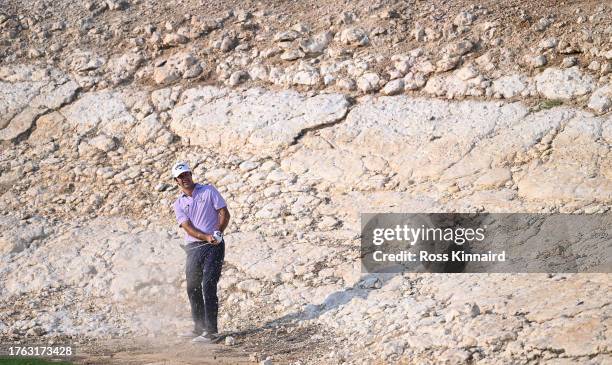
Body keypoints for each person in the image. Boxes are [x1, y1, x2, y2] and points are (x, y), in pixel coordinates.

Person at [171, 161, 230, 343]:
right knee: (192, 288)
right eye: (181, 177)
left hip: (214, 246)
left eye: (187, 174)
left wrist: (218, 232)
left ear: (191, 174)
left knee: (208, 285)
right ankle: (199, 328)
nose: (185, 178)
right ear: (176, 181)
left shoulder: (208, 190)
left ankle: (211, 332)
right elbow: (187, 227)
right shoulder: (178, 203)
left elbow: (224, 213)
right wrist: (205, 237)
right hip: (194, 247)